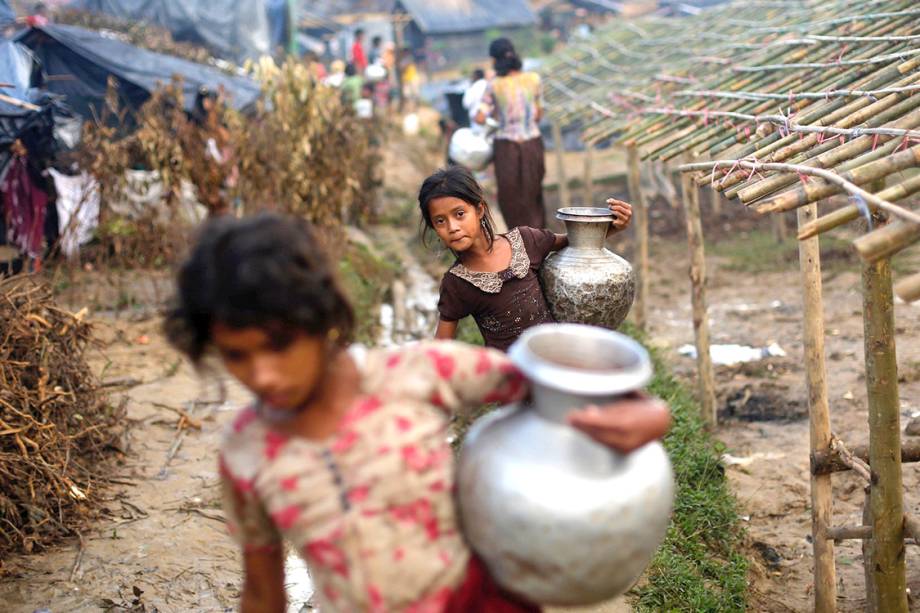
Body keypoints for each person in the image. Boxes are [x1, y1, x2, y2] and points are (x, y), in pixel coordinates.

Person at [164, 213, 670, 612]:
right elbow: (262, 592)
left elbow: (561, 388)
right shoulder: (246, 452)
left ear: (318, 316)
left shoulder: (416, 374)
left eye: (278, 344)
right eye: (236, 355)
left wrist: (650, 415)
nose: (263, 375)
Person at [421, 166, 632, 352]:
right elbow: (441, 349)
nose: (453, 227)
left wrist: (615, 226)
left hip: (556, 359)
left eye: (459, 214)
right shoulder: (457, 283)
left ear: (479, 209)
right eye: (440, 221)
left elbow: (577, 243)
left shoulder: (525, 240)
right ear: (434, 229)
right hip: (513, 379)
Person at [475, 38, 546, 229]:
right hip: (532, 143)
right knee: (533, 194)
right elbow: (539, 114)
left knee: (510, 197)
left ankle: (517, 241)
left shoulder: (494, 85)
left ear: (495, 60)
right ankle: (538, 239)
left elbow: (479, 117)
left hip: (506, 147)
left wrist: (496, 118)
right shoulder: (534, 79)